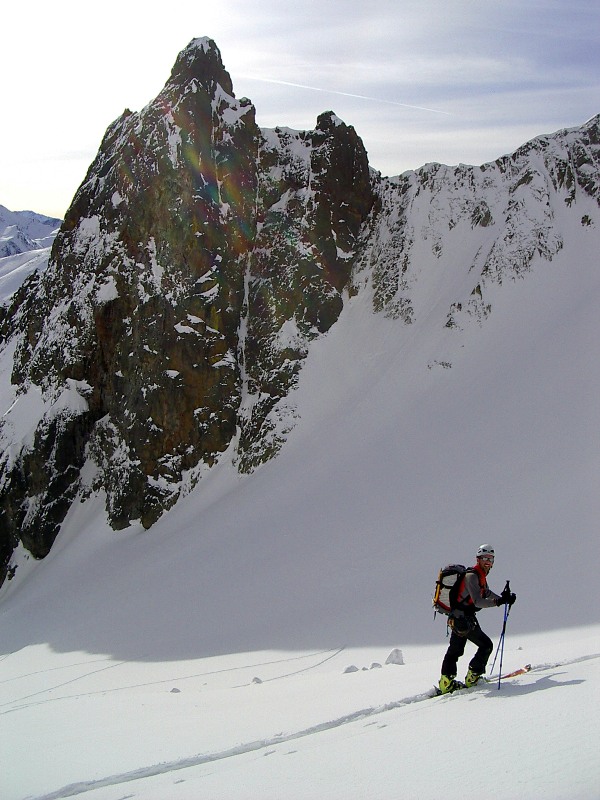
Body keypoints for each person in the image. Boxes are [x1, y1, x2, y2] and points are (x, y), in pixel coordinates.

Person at [439, 544, 516, 694]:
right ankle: (472, 678)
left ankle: (446, 683)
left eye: (491, 559)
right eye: (485, 558)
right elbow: (478, 601)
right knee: (486, 645)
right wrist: (498, 602)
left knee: (455, 650)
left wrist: (502, 599)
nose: (488, 561)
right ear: (478, 559)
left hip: (458, 618)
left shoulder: (479, 575)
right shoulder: (472, 576)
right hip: (464, 619)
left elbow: (485, 592)